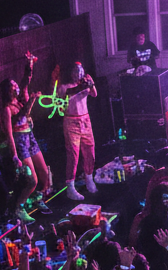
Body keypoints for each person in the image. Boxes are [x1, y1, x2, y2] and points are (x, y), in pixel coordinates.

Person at [0, 53, 51, 221]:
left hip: (30, 137)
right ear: (7, 91)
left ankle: (36, 199)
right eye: (12, 86)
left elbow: (25, 81)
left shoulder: (19, 99)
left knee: (44, 173)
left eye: (15, 84)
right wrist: (14, 155)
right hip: (20, 141)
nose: (15, 87)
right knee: (32, 179)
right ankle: (18, 208)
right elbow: (9, 133)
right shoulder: (7, 108)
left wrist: (29, 64)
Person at [58, 62, 98, 201]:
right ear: (70, 73)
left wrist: (90, 83)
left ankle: (89, 177)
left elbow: (94, 94)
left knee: (90, 150)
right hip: (71, 122)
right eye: (75, 72)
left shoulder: (86, 82)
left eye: (79, 71)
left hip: (85, 120)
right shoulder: (64, 87)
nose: (78, 74)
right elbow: (61, 103)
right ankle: (70, 187)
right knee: (73, 154)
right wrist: (82, 86)